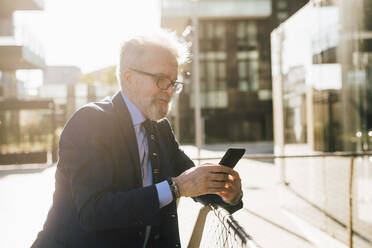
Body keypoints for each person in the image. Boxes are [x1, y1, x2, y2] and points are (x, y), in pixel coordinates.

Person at [32, 30, 243, 248]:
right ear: (129, 78)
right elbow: (94, 212)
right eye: (161, 80)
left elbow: (192, 182)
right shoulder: (90, 122)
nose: (169, 91)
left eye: (173, 83)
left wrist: (228, 195)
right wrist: (175, 188)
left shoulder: (160, 128)